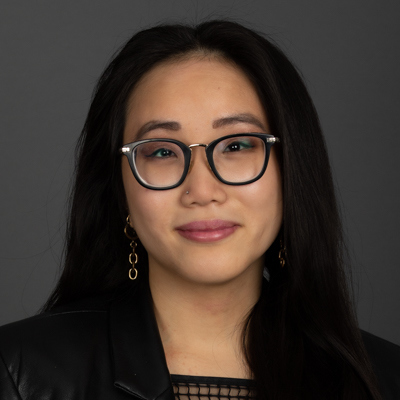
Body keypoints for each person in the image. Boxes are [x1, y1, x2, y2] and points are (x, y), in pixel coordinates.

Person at [0, 20, 399, 400]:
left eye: (236, 145)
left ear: (292, 169)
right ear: (120, 190)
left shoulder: (383, 380)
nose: (202, 191)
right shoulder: (21, 372)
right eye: (161, 152)